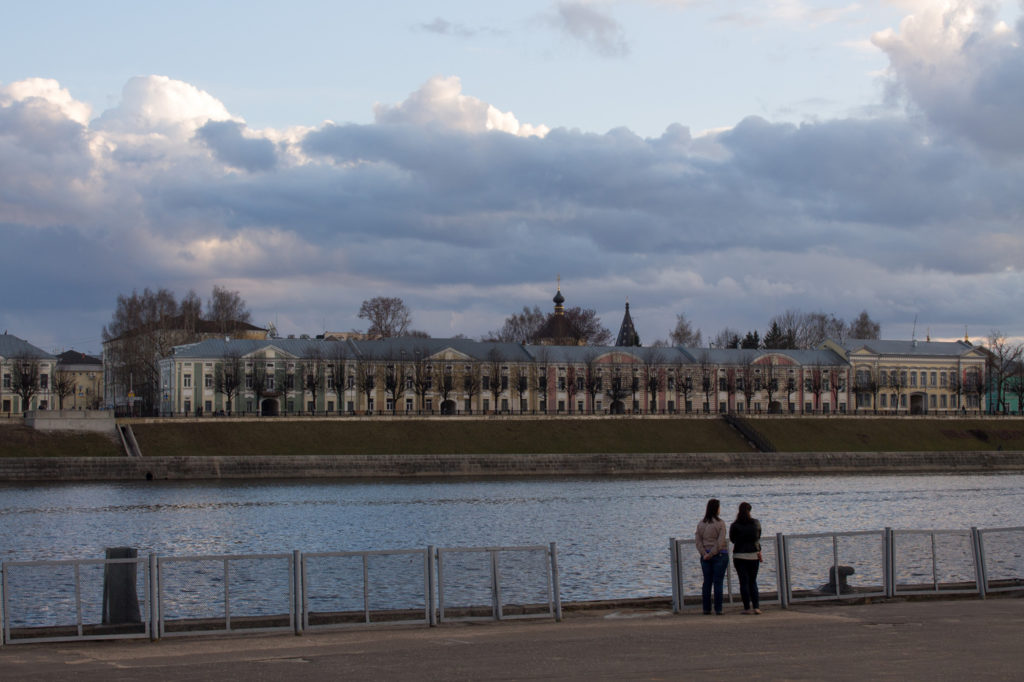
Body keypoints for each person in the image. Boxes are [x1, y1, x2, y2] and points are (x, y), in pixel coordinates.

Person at [695, 498, 728, 615]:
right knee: (718, 583)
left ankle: (706, 608)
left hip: (705, 557)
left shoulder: (701, 524)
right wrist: (712, 553)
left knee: (707, 583)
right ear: (716, 509)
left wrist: (705, 554)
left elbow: (698, 541)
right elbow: (720, 541)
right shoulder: (720, 523)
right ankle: (718, 609)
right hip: (719, 555)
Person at [729, 501, 763, 614]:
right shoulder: (756, 523)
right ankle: (756, 607)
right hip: (753, 555)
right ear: (750, 510)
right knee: (753, 581)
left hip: (739, 555)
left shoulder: (735, 525)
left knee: (743, 582)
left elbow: (733, 539)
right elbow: (758, 537)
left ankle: (747, 608)